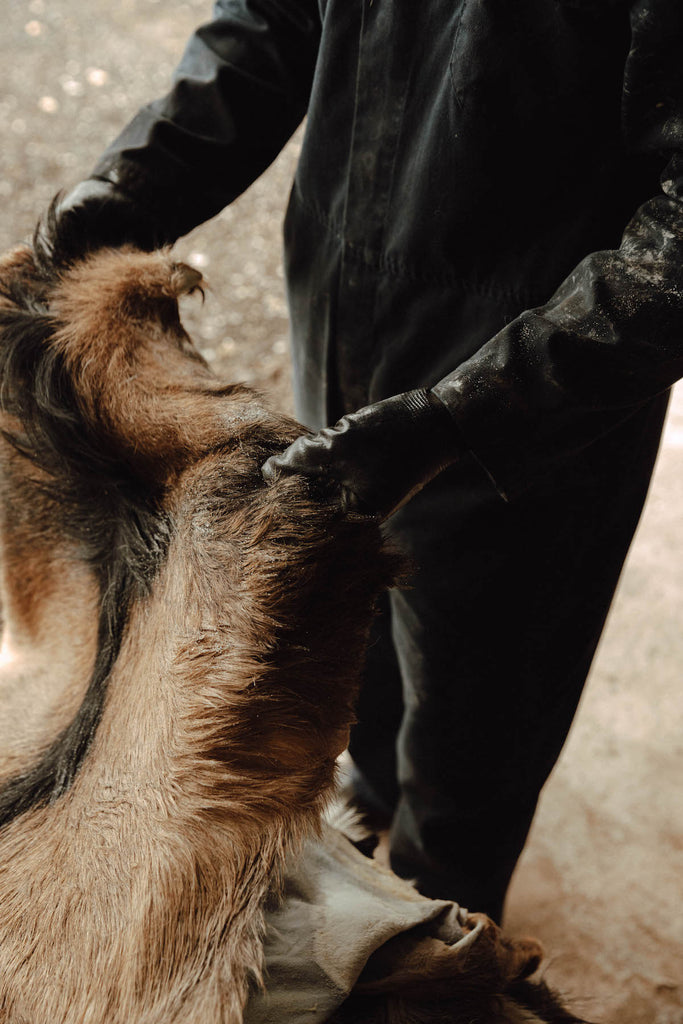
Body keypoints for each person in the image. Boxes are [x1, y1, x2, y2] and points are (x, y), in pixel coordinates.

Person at [57, 0, 683, 923]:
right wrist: (138, 180)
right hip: (341, 308)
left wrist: (462, 416)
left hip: (531, 402)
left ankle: (441, 922)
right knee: (353, 623)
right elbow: (269, 26)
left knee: (479, 720)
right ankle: (368, 795)